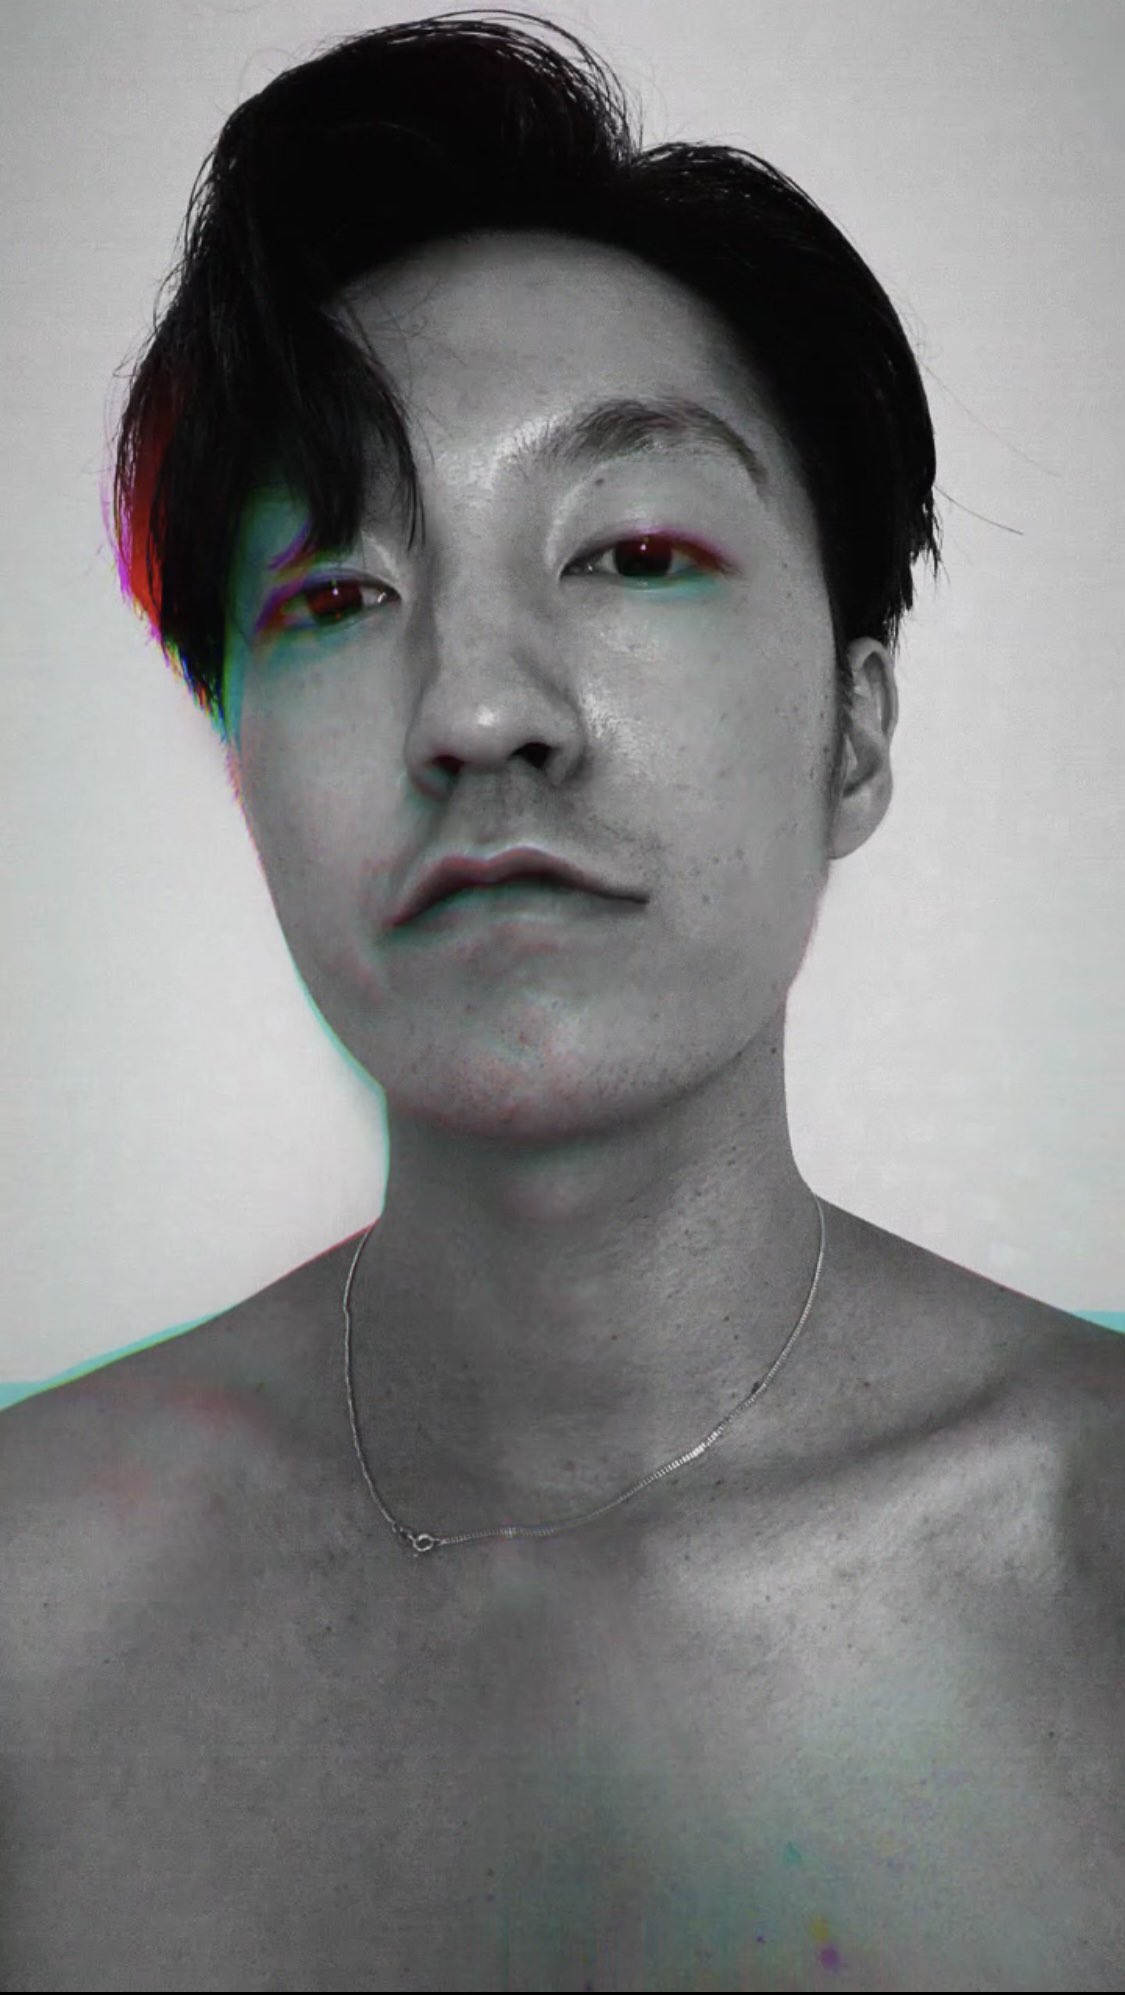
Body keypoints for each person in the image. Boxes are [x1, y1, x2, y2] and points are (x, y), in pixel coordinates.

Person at [2, 12, 1121, 1990]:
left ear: (854, 727)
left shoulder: (1085, 1559)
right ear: (238, 764)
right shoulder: (30, 1599)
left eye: (632, 550)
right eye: (338, 596)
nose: (478, 708)